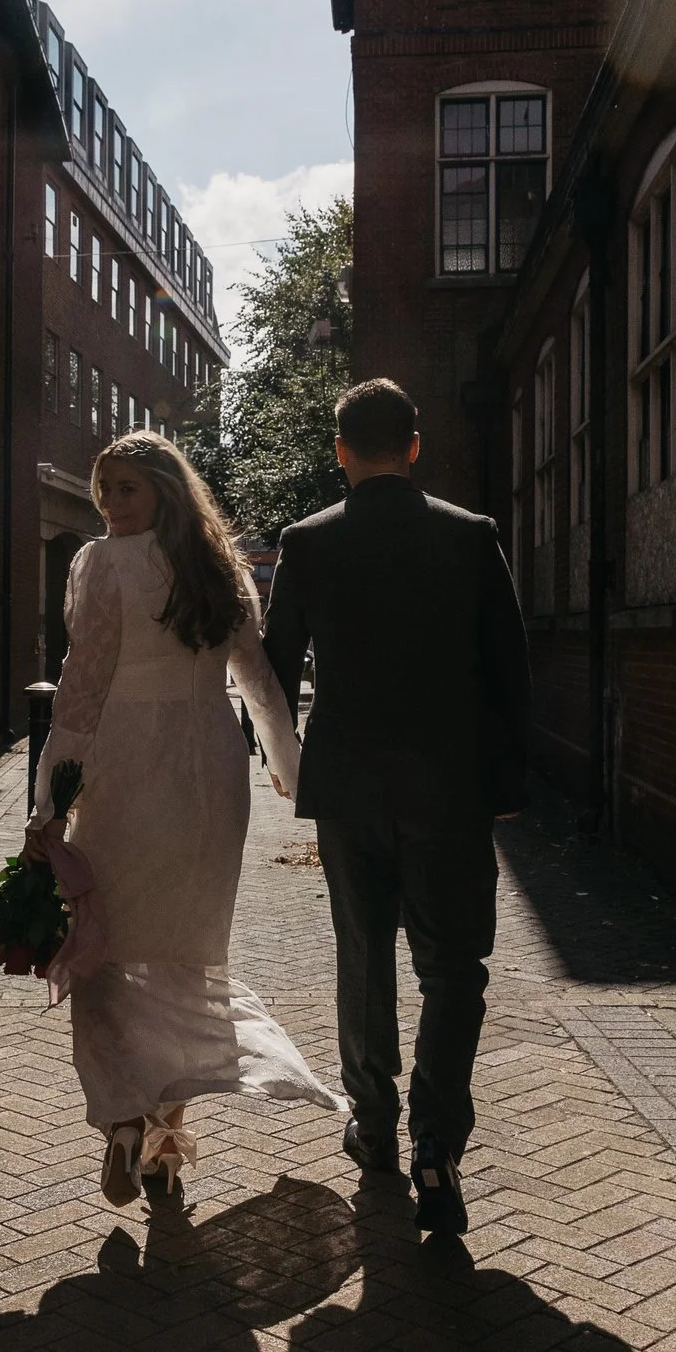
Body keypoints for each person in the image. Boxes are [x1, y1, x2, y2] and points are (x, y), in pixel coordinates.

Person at [27, 432, 339, 1205]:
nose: (109, 505)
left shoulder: (104, 563)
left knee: (104, 944)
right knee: (177, 958)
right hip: (207, 769)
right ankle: (162, 1138)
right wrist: (287, 769)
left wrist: (49, 799)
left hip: (132, 768)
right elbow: (258, 680)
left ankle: (127, 1123)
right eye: (104, 491)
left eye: (125, 488)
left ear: (164, 488)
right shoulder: (216, 564)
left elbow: (82, 688)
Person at [262, 378, 530, 1235]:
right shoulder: (470, 536)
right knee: (455, 969)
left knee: (364, 955)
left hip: (346, 787)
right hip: (448, 787)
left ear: (339, 451)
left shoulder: (306, 544)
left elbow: (271, 673)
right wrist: (509, 790)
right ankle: (437, 1146)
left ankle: (373, 1126)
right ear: (415, 445)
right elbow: (509, 674)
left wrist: (284, 767)